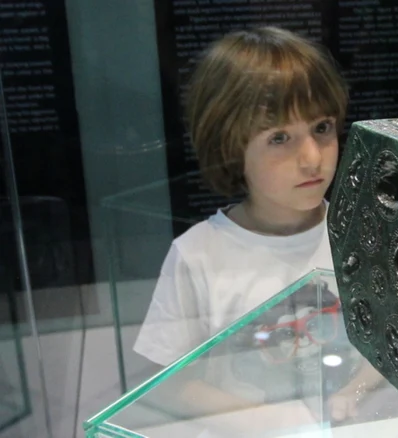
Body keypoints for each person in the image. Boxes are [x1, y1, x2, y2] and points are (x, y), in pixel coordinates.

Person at [133, 26, 382, 427]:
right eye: (280, 137)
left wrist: (354, 393)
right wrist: (266, 420)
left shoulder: (364, 232)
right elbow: (164, 382)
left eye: (321, 128)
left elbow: (394, 342)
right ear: (231, 147)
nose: (311, 158)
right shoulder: (198, 254)